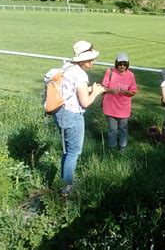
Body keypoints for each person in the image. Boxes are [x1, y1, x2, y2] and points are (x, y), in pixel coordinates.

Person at [54, 40, 105, 196]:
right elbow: (85, 102)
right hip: (73, 116)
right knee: (73, 153)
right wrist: (95, 92)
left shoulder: (68, 68)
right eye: (91, 59)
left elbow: (74, 90)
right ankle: (67, 187)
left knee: (66, 151)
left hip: (60, 112)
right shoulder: (81, 74)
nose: (93, 61)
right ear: (85, 59)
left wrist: (91, 88)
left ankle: (64, 181)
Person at [101, 53, 138, 151]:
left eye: (125, 64)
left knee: (123, 128)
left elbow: (133, 92)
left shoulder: (130, 75)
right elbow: (103, 88)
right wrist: (111, 91)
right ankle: (112, 148)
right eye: (120, 63)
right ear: (116, 63)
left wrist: (126, 92)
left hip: (124, 107)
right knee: (112, 129)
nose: (122, 66)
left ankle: (123, 147)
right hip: (110, 105)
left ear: (127, 65)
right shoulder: (110, 72)